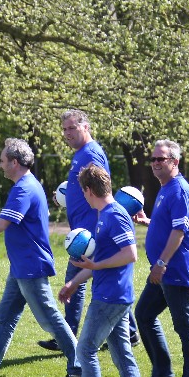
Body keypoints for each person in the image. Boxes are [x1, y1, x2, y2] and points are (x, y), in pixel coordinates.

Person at [0, 139, 82, 377]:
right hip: (21, 267)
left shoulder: (24, 188)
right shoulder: (26, 185)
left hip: (30, 267)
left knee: (50, 320)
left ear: (14, 162)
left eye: (2, 161)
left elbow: (1, 224)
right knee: (5, 317)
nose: (0, 165)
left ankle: (79, 368)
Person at [39, 109, 139, 351]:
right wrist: (66, 196)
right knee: (89, 278)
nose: (67, 133)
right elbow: (83, 186)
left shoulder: (91, 153)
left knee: (78, 279)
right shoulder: (81, 153)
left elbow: (101, 187)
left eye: (72, 128)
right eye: (64, 129)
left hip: (89, 232)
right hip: (83, 228)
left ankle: (68, 336)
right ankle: (129, 332)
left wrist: (99, 226)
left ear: (86, 127)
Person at [58, 164, 148, 377]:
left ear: (88, 190)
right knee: (122, 355)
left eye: (82, 191)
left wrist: (96, 266)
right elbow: (100, 259)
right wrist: (74, 282)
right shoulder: (104, 214)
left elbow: (130, 254)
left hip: (111, 297)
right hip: (112, 295)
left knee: (85, 349)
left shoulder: (114, 215)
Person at [134, 139, 189, 377]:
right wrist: (149, 222)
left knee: (186, 329)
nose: (154, 163)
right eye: (153, 159)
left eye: (160, 159)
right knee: (144, 314)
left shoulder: (179, 191)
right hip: (164, 272)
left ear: (174, 162)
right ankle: (163, 373)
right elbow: (169, 224)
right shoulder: (165, 188)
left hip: (176, 271)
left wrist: (161, 264)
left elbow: (179, 232)